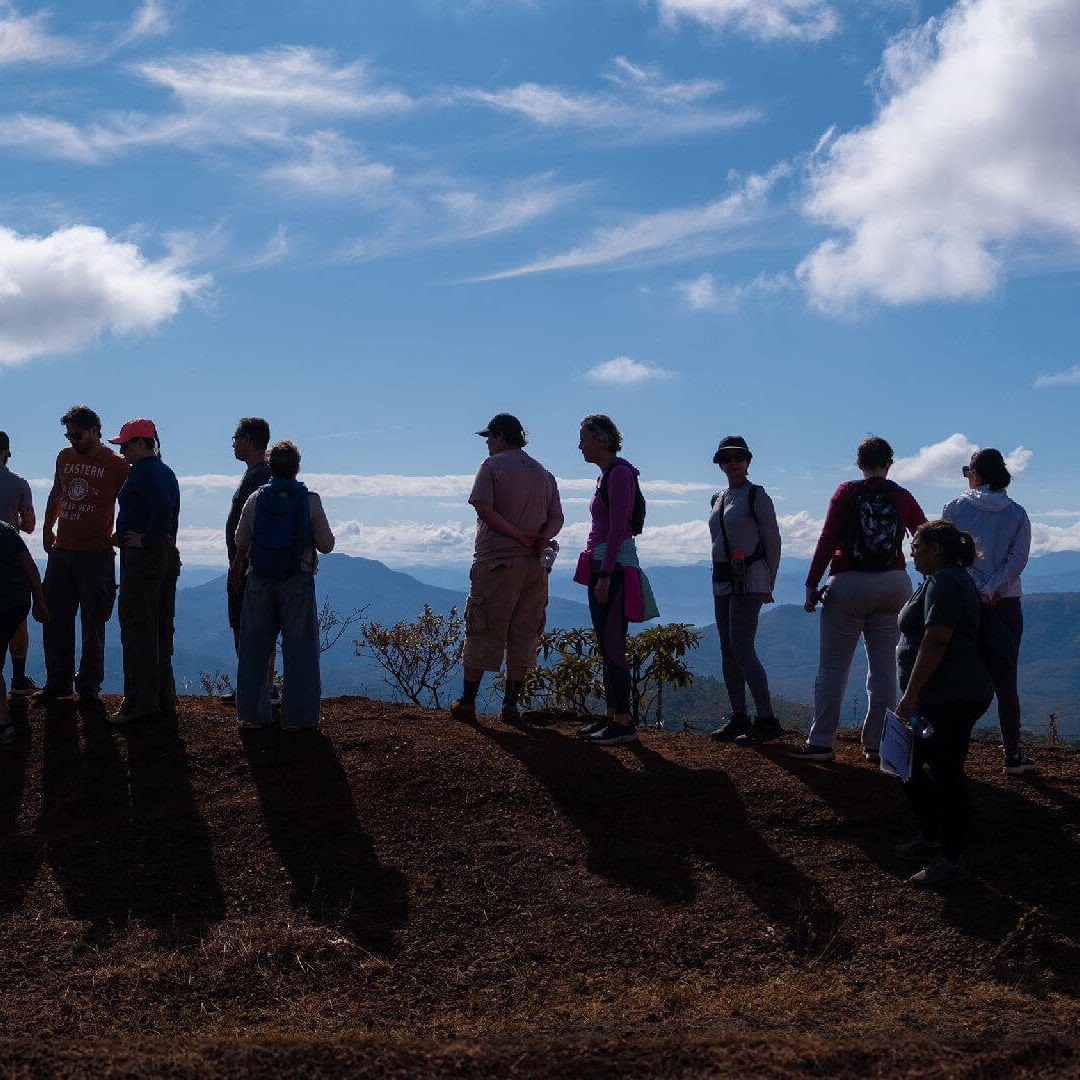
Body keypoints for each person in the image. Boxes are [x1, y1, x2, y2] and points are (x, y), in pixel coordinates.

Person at [792, 436, 926, 763]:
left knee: (833, 667)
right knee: (883, 668)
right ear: (890, 463)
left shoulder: (846, 493)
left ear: (859, 463)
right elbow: (924, 532)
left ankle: (822, 742)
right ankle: (878, 744)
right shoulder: (901, 495)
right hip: (894, 585)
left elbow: (827, 539)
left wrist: (812, 584)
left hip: (848, 584)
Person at [894, 519, 993, 887]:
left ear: (936, 549)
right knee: (908, 762)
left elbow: (936, 640)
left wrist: (910, 695)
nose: (912, 551)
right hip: (944, 697)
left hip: (951, 697)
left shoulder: (946, 581)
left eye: (917, 546)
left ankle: (950, 857)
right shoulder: (941, 580)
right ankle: (934, 838)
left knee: (945, 773)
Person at [449, 414, 564, 725]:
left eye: (489, 437)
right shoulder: (544, 473)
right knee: (524, 630)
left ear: (501, 436)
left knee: (483, 625)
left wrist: (515, 534)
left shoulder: (492, 467)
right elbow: (557, 518)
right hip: (535, 566)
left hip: (496, 561)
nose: (487, 443)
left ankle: (468, 702)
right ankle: (511, 705)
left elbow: (483, 507)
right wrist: (540, 538)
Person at [230, 439, 335, 731]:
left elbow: (240, 539)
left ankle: (252, 714)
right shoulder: (309, 499)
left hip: (260, 580)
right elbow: (326, 544)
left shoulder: (256, 498)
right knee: (300, 649)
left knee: (254, 648)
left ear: (270, 465)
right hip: (297, 580)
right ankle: (299, 718)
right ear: (297, 467)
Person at [943, 448, 1034, 776]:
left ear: (977, 474)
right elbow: (1018, 559)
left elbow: (948, 554)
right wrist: (992, 589)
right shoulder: (1018, 514)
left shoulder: (954, 509)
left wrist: (973, 588)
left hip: (962, 603)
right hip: (1005, 604)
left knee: (955, 675)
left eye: (969, 470)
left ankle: (950, 753)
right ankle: (1012, 754)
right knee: (1006, 680)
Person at [35, 405, 128, 705]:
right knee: (55, 618)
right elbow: (56, 493)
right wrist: (48, 528)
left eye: (77, 434)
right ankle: (58, 682)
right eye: (68, 434)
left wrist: (120, 533)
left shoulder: (116, 463)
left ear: (94, 431)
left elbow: (130, 501)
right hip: (62, 550)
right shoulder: (64, 457)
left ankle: (88, 685)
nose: (72, 439)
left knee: (94, 620)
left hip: (96, 554)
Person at [575, 414, 658, 747]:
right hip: (603, 564)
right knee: (605, 644)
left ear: (602, 439)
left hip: (615, 567)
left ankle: (623, 723)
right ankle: (612, 717)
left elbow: (618, 528)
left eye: (584, 438)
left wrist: (607, 574)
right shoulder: (606, 476)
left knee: (612, 643)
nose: (579, 445)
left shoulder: (620, 474)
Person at [705, 436, 783, 746]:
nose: (733, 462)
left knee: (741, 646)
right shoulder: (718, 497)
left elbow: (773, 541)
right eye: (727, 458)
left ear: (748, 461)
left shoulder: (756, 496)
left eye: (739, 457)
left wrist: (770, 582)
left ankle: (766, 718)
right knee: (727, 648)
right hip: (723, 578)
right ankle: (739, 716)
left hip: (750, 578)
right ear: (720, 463)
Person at [108, 419, 181, 725]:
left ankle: (139, 703)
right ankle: (162, 698)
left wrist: (143, 539)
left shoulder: (141, 471)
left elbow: (161, 507)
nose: (122, 451)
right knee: (160, 627)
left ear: (140, 443)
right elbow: (166, 510)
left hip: (143, 560)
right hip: (164, 557)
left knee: (138, 627)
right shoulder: (166, 472)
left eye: (125, 445)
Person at [222, 417, 273, 707]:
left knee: (245, 626)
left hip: (246, 566)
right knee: (251, 626)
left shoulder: (258, 476)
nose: (234, 443)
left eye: (236, 437)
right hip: (250, 564)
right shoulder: (257, 473)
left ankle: (254, 688)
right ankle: (261, 686)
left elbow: (254, 525)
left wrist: (239, 562)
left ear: (249, 440)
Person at [0, 520, 48, 743]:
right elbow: (29, 565)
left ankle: (4, 726)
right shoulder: (6, 529)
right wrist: (38, 600)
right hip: (18, 603)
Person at [0, 430, 38, 698]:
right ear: (6, 453)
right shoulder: (19, 484)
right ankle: (18, 678)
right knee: (16, 619)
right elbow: (30, 526)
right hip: (10, 556)